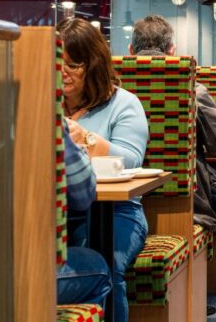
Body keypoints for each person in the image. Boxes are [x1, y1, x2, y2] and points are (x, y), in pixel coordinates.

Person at [130, 15, 216, 317]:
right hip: (186, 201)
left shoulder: (110, 83)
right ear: (172, 51)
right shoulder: (188, 85)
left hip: (120, 203)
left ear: (130, 50)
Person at [57, 17, 149, 322]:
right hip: (59, 213)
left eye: (74, 64)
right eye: (59, 62)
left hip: (119, 212)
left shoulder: (123, 104)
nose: (63, 72)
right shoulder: (42, 104)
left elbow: (132, 159)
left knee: (107, 262)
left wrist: (86, 138)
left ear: (94, 64)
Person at [129, 15, 216, 160]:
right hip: (185, 180)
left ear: (131, 50)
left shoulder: (112, 90)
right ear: (171, 50)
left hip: (120, 177)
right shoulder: (191, 91)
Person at [58, 124, 112, 309]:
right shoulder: (48, 115)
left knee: (110, 254)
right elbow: (83, 193)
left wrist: (87, 137)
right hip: (7, 277)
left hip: (121, 207)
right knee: (95, 265)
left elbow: (131, 159)